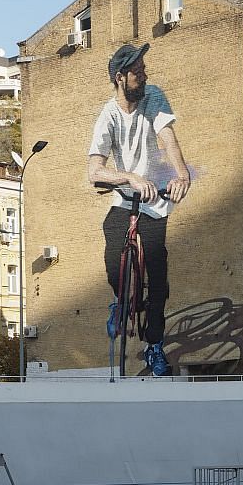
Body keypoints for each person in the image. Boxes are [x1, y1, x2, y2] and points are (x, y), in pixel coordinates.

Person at [88, 43, 191, 376]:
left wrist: (182, 173)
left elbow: (168, 137)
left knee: (159, 275)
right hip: (126, 195)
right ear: (121, 78)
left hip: (156, 199)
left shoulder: (154, 96)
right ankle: (120, 301)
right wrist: (129, 177)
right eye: (138, 72)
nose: (144, 75)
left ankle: (154, 345)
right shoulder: (108, 115)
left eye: (145, 69)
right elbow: (94, 170)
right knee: (111, 243)